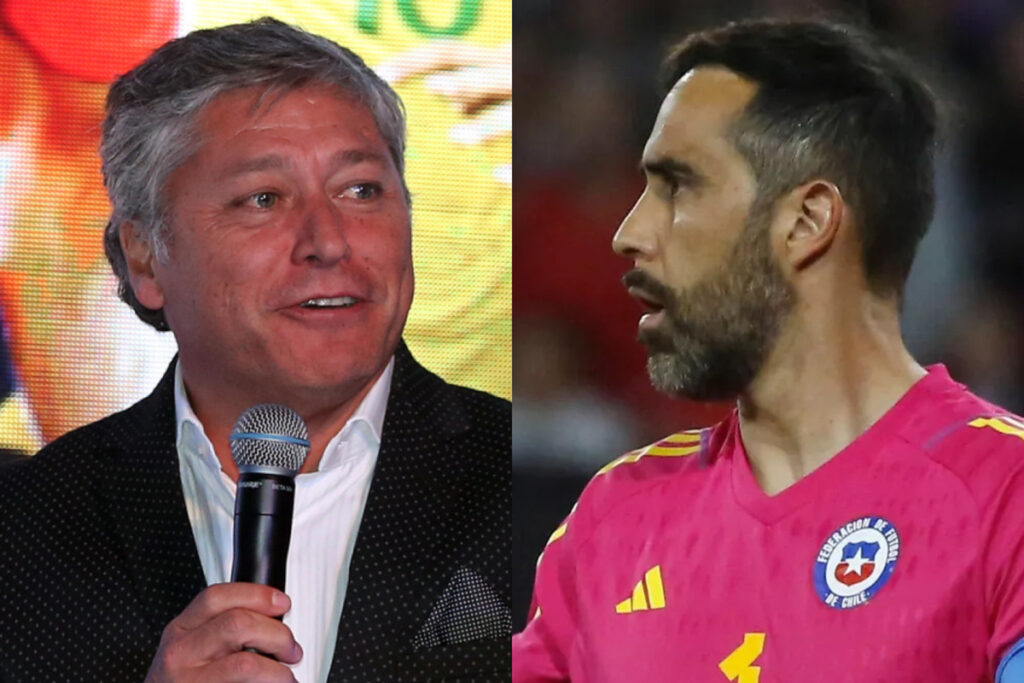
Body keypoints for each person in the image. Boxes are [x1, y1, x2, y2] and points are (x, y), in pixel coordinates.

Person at [512, 18, 1024, 682]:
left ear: (807, 222)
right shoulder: (612, 521)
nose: (629, 232)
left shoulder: (1002, 497)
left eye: (679, 186)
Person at [0, 17, 510, 683]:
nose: (329, 241)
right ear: (145, 256)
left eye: (361, 191)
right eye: (263, 199)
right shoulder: (31, 526)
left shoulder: (538, 492)